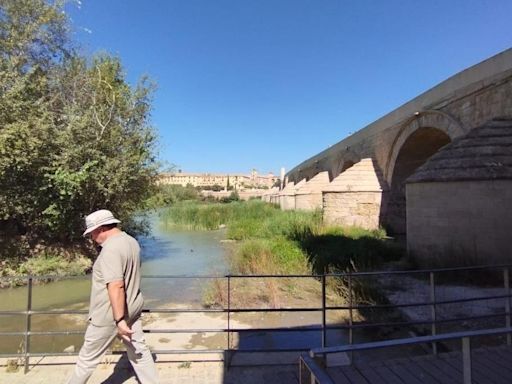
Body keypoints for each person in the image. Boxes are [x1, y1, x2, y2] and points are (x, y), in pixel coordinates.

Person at [67, 209, 159, 384]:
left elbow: (116, 285)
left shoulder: (110, 249)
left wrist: (119, 321)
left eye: (92, 233)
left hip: (109, 315)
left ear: (101, 229)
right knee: (139, 353)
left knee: (86, 360)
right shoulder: (131, 241)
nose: (92, 238)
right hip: (132, 308)